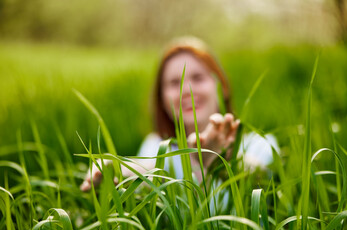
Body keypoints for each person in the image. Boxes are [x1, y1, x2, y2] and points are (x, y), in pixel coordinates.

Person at [80, 37, 278, 192]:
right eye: (175, 83)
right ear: (162, 98)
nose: (187, 90)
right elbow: (147, 172)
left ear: (221, 86)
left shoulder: (261, 143)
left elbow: (262, 180)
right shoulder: (156, 146)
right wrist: (113, 168)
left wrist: (220, 158)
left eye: (198, 77)